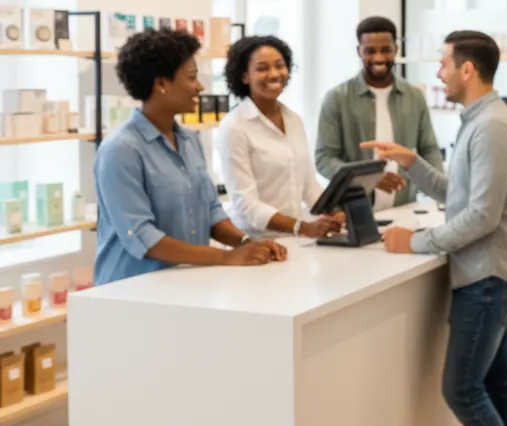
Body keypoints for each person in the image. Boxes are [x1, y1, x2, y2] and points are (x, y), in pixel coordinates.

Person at [362, 31, 507, 426]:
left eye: (443, 64)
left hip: (487, 276)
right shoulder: (481, 122)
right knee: (497, 383)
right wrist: (411, 162)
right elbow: (460, 194)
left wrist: (412, 243)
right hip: (490, 273)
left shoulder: (492, 127)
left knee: (461, 388)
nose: (437, 73)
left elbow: (482, 217)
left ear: (467, 70)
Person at [94, 29, 287, 286]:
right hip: (131, 290)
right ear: (161, 84)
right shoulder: (120, 150)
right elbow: (142, 236)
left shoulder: (189, 140)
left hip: (186, 284)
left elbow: (211, 211)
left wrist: (249, 244)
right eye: (192, 78)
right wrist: (226, 257)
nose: (200, 86)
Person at [214, 35, 343, 239]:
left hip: (296, 239)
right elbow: (245, 203)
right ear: (245, 76)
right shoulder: (234, 127)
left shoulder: (294, 120)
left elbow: (308, 184)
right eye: (262, 68)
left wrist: (334, 212)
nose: (274, 74)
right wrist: (302, 227)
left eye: (279, 66)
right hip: (255, 243)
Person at [315, 16, 442, 210]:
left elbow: (429, 149)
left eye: (385, 50)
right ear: (359, 52)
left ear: (396, 50)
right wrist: (368, 179)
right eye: (370, 51)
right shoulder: (337, 98)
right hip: (353, 210)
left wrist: (440, 193)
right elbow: (324, 158)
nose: (379, 58)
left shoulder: (415, 96)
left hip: (405, 208)